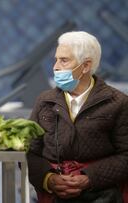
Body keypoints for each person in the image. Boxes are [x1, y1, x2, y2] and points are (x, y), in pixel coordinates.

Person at [27, 31, 128, 203]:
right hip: (54, 196)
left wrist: (89, 178)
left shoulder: (118, 102)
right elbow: (29, 151)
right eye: (56, 59)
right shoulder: (45, 101)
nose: (55, 67)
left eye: (64, 60)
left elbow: (126, 155)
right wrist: (48, 179)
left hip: (103, 195)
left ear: (86, 66)